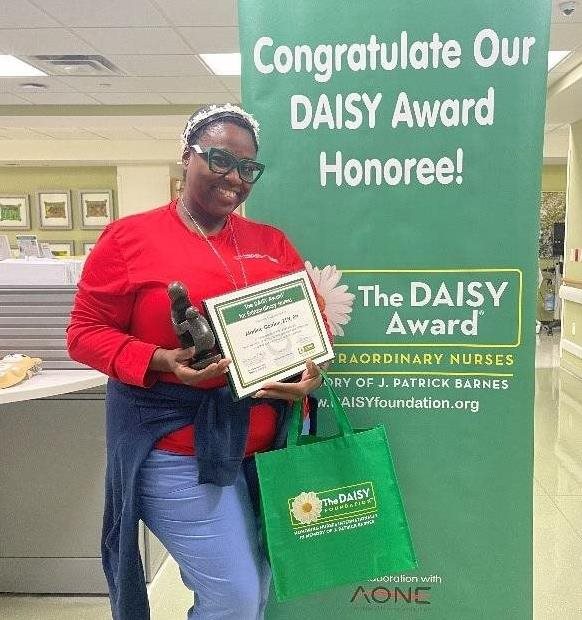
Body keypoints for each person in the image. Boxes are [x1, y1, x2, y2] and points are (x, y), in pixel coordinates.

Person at [66, 104, 327, 620]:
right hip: (177, 447)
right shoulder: (129, 240)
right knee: (235, 597)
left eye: (247, 168)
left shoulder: (269, 243)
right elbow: (83, 334)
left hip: (265, 449)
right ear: (187, 157)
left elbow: (307, 317)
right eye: (220, 159)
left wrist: (308, 368)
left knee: (258, 585)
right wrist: (162, 359)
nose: (234, 178)